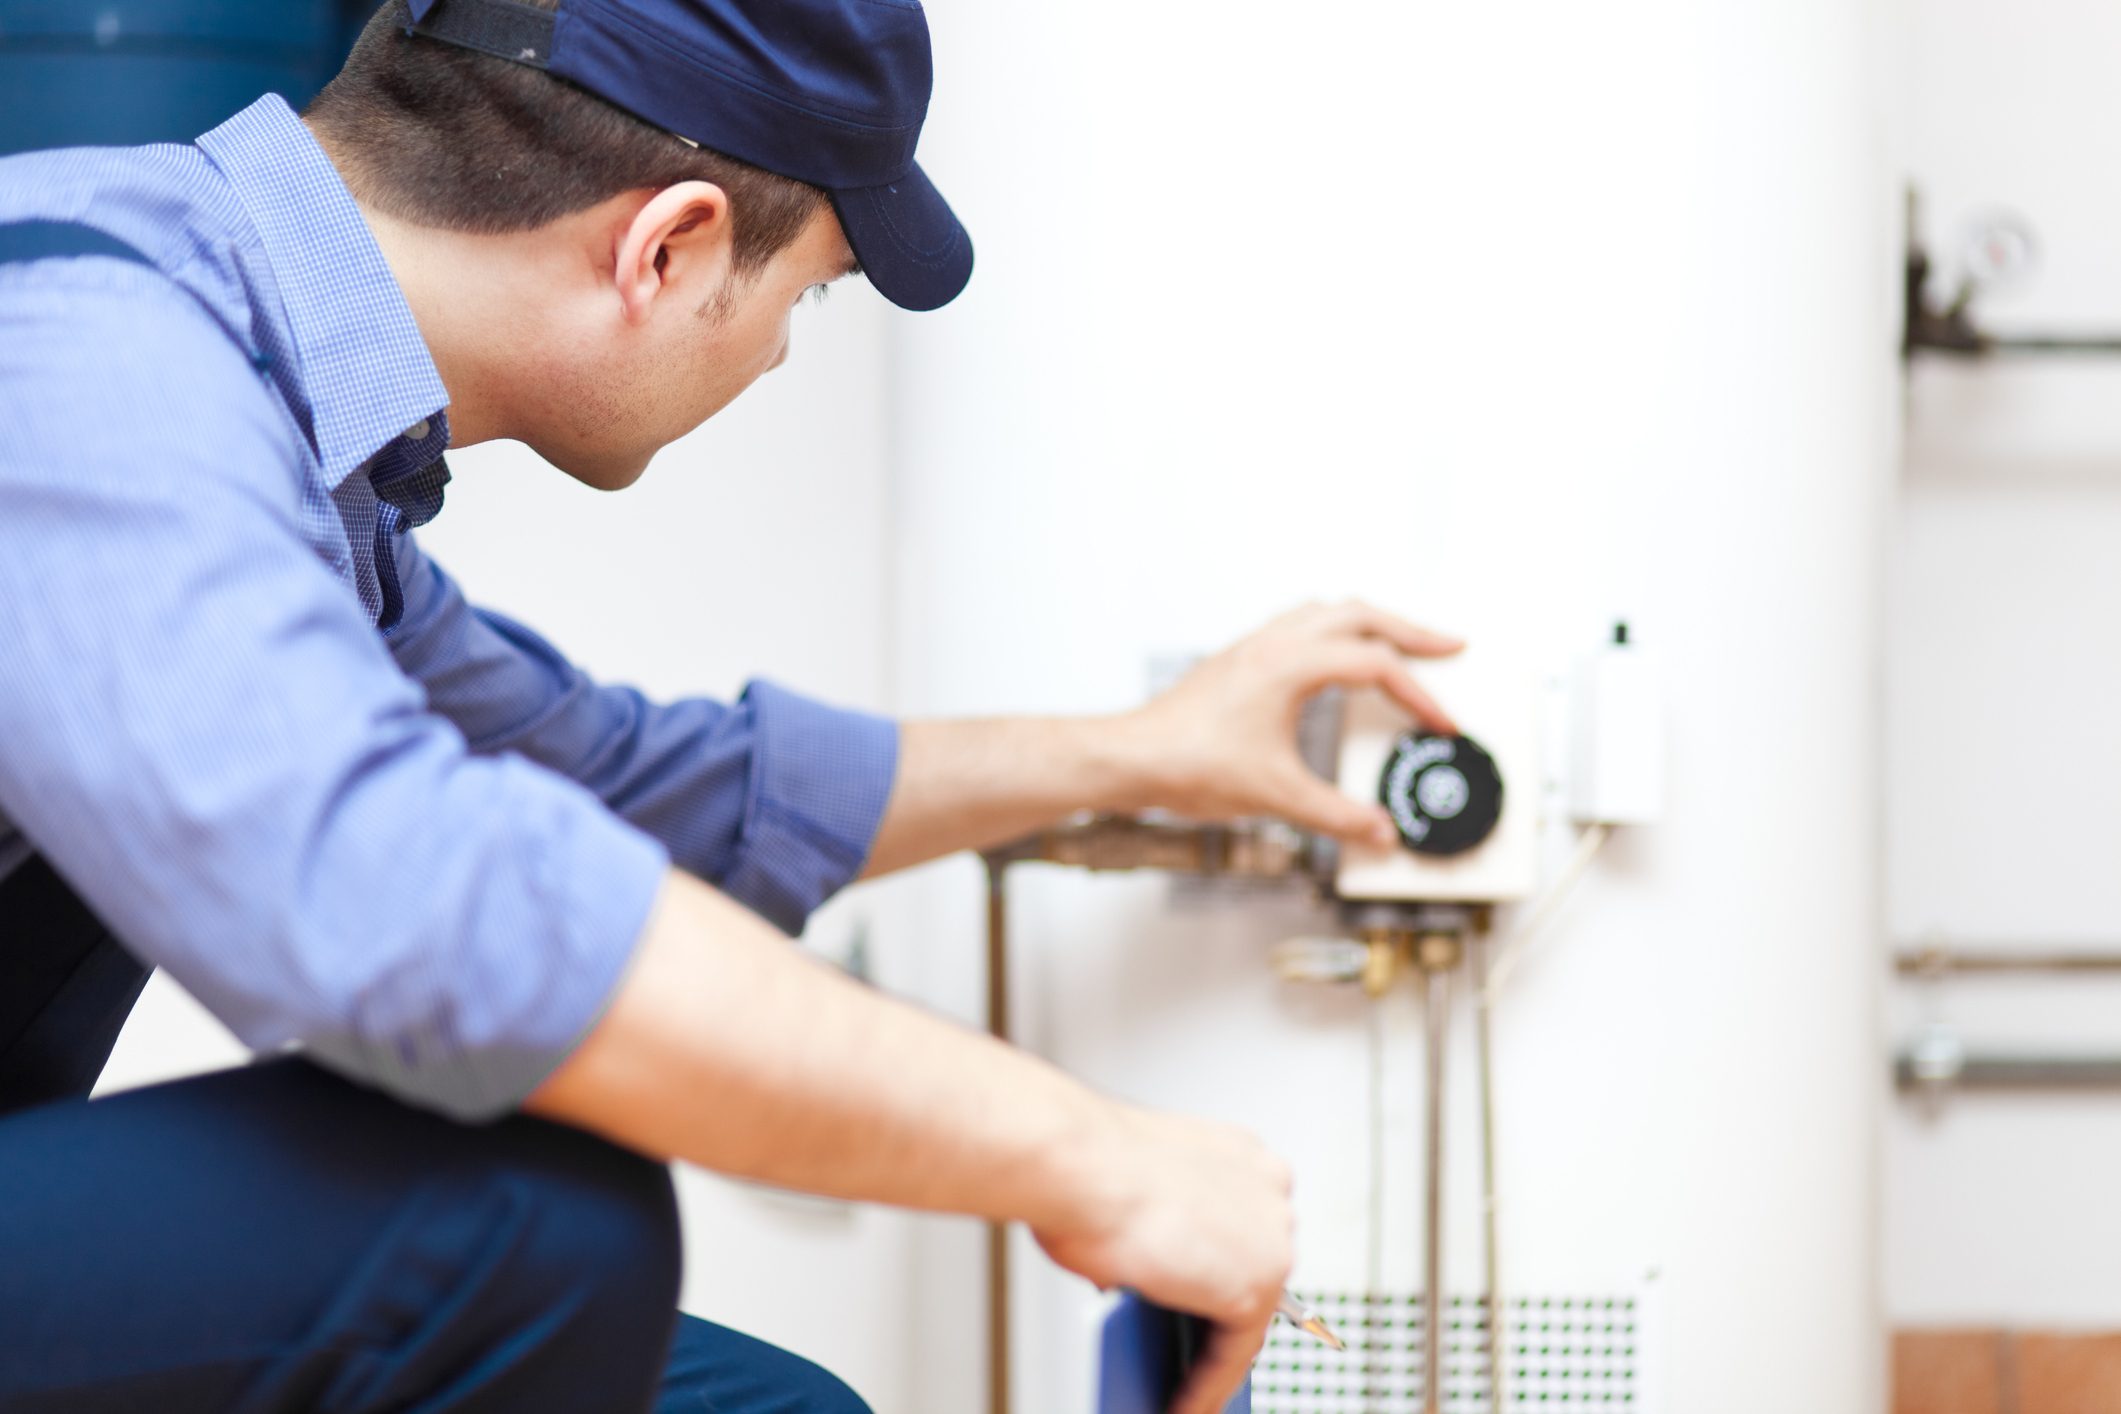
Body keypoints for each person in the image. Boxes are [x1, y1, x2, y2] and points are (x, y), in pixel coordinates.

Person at [0, 1, 1462, 1410]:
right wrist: (1090, 1152)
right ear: (671, 246)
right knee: (529, 1217)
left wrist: (1141, 756)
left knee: (754, 1403)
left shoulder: (279, 420)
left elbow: (622, 787)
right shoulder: (89, 351)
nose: (775, 350)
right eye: (806, 293)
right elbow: (421, 910)